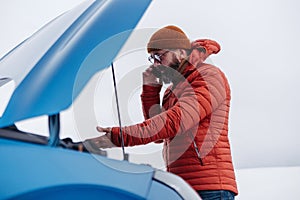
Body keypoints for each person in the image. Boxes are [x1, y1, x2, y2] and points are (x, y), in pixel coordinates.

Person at [85, 25, 238, 199]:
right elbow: (159, 134)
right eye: (152, 58)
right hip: (182, 186)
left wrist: (118, 136)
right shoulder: (173, 89)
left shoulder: (208, 76)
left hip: (210, 187)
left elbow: (175, 121)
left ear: (180, 52)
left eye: (160, 56)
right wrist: (151, 90)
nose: (156, 64)